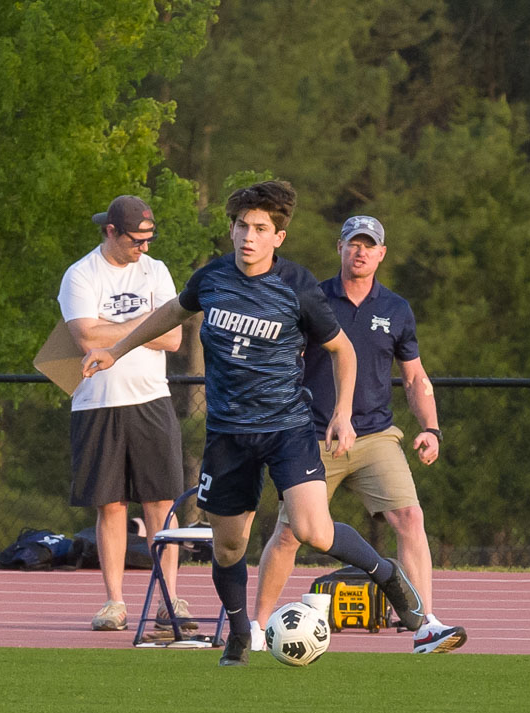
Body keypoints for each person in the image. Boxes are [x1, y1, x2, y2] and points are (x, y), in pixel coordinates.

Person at [82, 181, 426, 666]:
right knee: (229, 546)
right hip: (227, 433)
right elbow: (170, 313)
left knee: (314, 530)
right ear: (232, 229)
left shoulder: (298, 286)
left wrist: (344, 413)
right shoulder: (213, 278)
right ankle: (240, 632)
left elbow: (342, 350)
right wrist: (114, 351)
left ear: (277, 238)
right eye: (242, 226)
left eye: (260, 228)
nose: (248, 236)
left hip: (287, 428)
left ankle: (387, 574)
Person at [251, 216, 467, 654]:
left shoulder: (396, 309)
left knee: (411, 518)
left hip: (374, 436)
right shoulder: (312, 298)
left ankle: (423, 624)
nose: (361, 252)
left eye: (370, 245)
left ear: (382, 253)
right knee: (291, 533)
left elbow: (414, 378)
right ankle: (255, 629)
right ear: (340, 248)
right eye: (353, 244)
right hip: (311, 435)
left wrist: (431, 428)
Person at [58, 195, 190, 633]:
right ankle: (114, 601)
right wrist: (149, 323)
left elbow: (173, 339)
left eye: (150, 239)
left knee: (161, 503)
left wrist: (113, 331)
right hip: (98, 402)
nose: (144, 248)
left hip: (152, 398)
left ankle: (168, 598)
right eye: (136, 240)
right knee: (110, 505)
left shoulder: (157, 270)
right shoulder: (81, 274)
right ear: (111, 232)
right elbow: (84, 337)